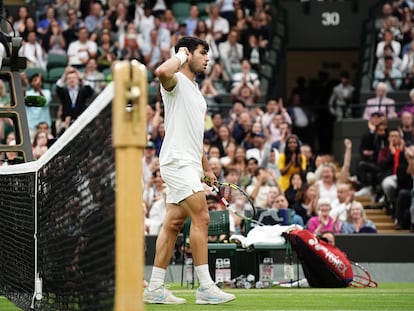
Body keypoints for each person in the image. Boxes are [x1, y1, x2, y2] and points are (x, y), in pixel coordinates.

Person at [144, 36, 235, 305]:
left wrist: (206, 168)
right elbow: (161, 71)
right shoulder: (175, 83)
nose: (207, 58)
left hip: (189, 163)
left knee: (172, 224)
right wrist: (181, 56)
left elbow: (196, 138)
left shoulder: (196, 91)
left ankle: (155, 288)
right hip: (176, 162)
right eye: (202, 53)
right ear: (187, 54)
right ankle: (206, 287)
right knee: (202, 218)